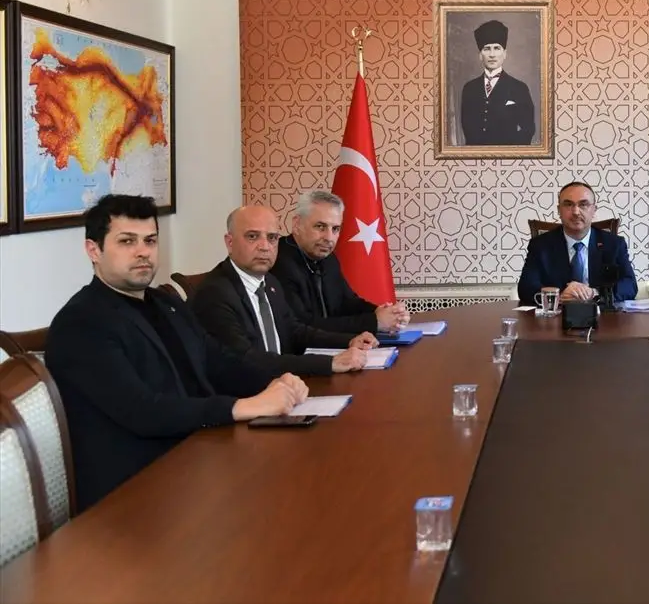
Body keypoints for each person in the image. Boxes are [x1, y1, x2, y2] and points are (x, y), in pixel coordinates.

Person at [44, 194, 309, 512]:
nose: (143, 251)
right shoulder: (81, 322)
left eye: (150, 241)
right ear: (93, 250)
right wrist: (244, 406)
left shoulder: (165, 303)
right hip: (135, 494)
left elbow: (218, 362)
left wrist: (275, 383)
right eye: (127, 241)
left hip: (200, 459)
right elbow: (142, 411)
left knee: (299, 488)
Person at [190, 205, 376, 377]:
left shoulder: (270, 282)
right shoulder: (214, 294)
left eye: (272, 238)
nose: (265, 247)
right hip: (248, 394)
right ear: (230, 242)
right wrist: (329, 363)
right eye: (252, 236)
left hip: (284, 384)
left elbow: (293, 330)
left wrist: (349, 341)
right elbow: (246, 361)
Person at [272, 190, 409, 335]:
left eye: (335, 229)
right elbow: (303, 325)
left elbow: (347, 303)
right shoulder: (278, 261)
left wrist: (382, 313)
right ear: (297, 224)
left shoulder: (329, 259)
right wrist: (375, 322)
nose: (329, 238)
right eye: (320, 227)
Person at [517, 182, 638, 306]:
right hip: (558, 315)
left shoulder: (614, 244)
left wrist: (594, 293)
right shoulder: (540, 245)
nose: (575, 212)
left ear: (594, 210)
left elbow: (630, 285)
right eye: (568, 204)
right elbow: (526, 288)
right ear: (559, 210)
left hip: (601, 315)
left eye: (583, 204)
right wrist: (559, 296)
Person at [459, 19, 536, 146]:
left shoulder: (519, 88)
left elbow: (528, 130)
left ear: (504, 54)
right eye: (487, 49)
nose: (492, 54)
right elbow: (467, 128)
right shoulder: (469, 89)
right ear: (480, 55)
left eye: (497, 48)